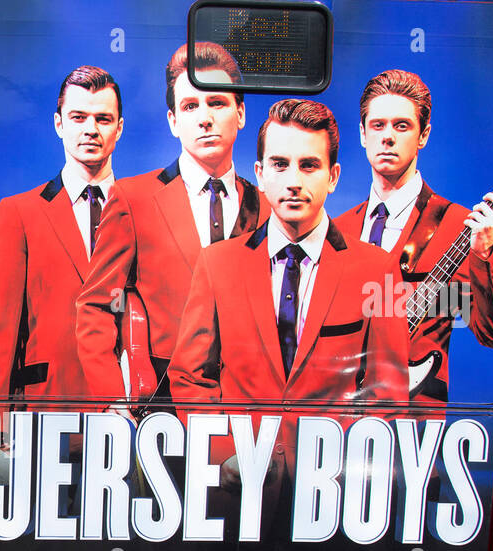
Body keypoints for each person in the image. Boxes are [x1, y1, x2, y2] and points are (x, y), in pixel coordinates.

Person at [168, 98, 408, 484]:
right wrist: (225, 453)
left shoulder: (378, 268)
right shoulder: (216, 263)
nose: (294, 181)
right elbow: (190, 376)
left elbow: (388, 393)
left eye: (309, 165)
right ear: (261, 175)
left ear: (333, 176)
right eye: (280, 165)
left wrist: (346, 469)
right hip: (235, 493)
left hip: (331, 496)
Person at [76, 43, 267, 412]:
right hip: (161, 412)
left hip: (249, 413)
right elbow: (96, 307)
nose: (205, 118)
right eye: (190, 106)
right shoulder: (134, 199)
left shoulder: (268, 208)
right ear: (173, 121)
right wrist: (112, 400)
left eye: (217, 103)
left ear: (240, 113)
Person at [334, 69, 493, 405]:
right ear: (362, 133)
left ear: (423, 135)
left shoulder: (462, 226)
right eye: (378, 125)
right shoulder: (337, 230)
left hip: (416, 429)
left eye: (402, 126)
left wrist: (484, 254)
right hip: (337, 420)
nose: (388, 137)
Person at [0, 64, 125, 459]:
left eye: (103, 118)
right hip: (44, 410)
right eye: (78, 117)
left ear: (119, 128)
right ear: (59, 124)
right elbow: (0, 323)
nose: (90, 129)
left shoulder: (143, 209)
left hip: (129, 416)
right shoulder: (20, 213)